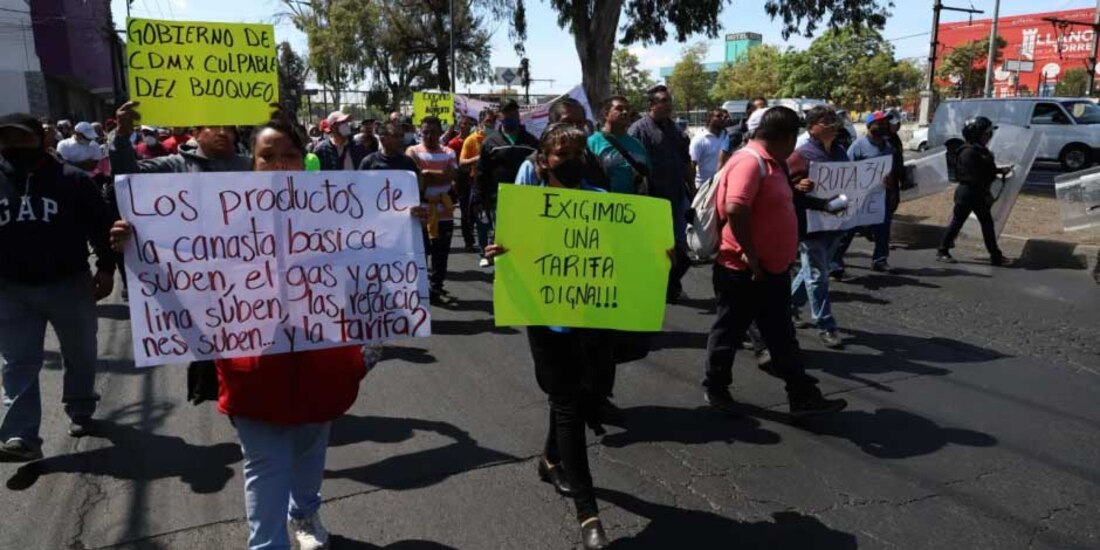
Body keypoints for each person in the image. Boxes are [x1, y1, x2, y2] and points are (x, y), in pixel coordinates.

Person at [110, 120, 377, 550]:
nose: (279, 165)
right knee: (264, 463)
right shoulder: (220, 216)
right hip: (252, 363)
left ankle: (305, 514)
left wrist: (406, 225)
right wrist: (137, 243)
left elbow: (373, 261)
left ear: (303, 159)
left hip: (323, 360)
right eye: (267, 157)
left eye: (288, 154)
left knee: (310, 452)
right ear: (250, 164)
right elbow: (182, 272)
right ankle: (268, 544)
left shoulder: (337, 208)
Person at [484, 123, 613, 549]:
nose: (573, 162)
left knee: (581, 395)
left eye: (579, 154)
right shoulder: (526, 208)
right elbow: (507, 253)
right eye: (563, 155)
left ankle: (550, 459)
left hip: (591, 322)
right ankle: (588, 513)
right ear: (543, 161)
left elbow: (625, 258)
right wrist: (498, 253)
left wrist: (657, 253)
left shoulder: (602, 203)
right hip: (546, 321)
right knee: (568, 404)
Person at [702, 106, 848, 418]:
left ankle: (803, 396)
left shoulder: (774, 164)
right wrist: (752, 257)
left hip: (771, 270)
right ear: (785, 136)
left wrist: (823, 204)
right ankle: (716, 387)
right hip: (743, 272)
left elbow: (788, 200)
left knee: (781, 336)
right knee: (728, 333)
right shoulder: (749, 162)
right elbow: (737, 208)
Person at [0, 112, 115, 461]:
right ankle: (21, 436)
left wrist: (107, 269)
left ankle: (80, 411)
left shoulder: (74, 180)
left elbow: (101, 226)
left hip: (69, 284)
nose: (14, 146)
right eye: (7, 140)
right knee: (18, 363)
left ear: (42, 140)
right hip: (11, 290)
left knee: (79, 353)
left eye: (22, 138)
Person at [786, 106, 849, 349]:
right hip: (811, 226)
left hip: (836, 223)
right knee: (817, 275)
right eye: (825, 121)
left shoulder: (841, 153)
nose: (832, 124)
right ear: (811, 127)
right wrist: (797, 185)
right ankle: (826, 325)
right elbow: (784, 187)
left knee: (811, 272)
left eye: (834, 120)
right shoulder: (799, 156)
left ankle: (788, 307)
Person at [629, 85, 692, 302]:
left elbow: (685, 160)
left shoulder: (674, 128)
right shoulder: (639, 130)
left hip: (677, 197)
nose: (668, 104)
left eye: (669, 100)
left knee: (681, 249)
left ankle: (671, 285)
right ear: (652, 104)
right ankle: (657, 288)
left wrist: (690, 188)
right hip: (654, 200)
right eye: (663, 100)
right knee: (659, 249)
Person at [471, 99, 538, 268]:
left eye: (514, 113)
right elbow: (481, 172)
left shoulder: (531, 142)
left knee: (524, 236)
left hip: (527, 200)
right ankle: (502, 270)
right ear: (499, 116)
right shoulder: (490, 142)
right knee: (502, 237)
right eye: (506, 113)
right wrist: (478, 198)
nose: (511, 117)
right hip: (498, 199)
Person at [936, 116, 1008, 266]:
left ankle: (995, 255)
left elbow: (986, 169)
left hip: (977, 192)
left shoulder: (979, 150)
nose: (989, 136)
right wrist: (988, 188)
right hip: (968, 193)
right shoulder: (967, 152)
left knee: (987, 224)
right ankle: (942, 250)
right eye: (985, 133)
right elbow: (975, 175)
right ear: (976, 134)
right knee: (957, 223)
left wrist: (1000, 170)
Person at [832, 111, 897, 276]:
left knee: (883, 229)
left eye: (884, 123)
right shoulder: (858, 146)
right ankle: (835, 262)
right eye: (878, 123)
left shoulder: (888, 146)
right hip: (859, 196)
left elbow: (889, 170)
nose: (882, 126)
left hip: (879, 196)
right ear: (869, 126)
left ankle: (880, 260)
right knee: (849, 230)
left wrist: (890, 184)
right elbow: (848, 171)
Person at [109, 101, 251, 174]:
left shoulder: (251, 166)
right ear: (196, 134)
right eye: (213, 126)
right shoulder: (172, 166)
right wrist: (121, 136)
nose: (222, 132)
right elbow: (127, 175)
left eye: (229, 128)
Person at [407, 116, 458, 305]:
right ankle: (419, 289)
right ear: (420, 132)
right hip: (420, 213)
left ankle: (436, 288)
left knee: (441, 253)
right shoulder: (412, 151)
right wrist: (439, 176)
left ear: (440, 133)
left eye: (433, 132)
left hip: (444, 212)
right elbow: (415, 178)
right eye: (425, 132)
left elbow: (452, 175)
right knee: (420, 253)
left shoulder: (449, 152)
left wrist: (427, 173)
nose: (429, 136)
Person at [515, 97, 608, 189]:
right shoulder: (531, 166)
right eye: (567, 122)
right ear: (551, 126)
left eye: (579, 123)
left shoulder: (596, 162)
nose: (574, 128)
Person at [589, 95, 649, 195]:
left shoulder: (637, 145)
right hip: (603, 206)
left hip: (635, 206)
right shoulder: (592, 143)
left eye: (627, 109)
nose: (625, 112)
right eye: (619, 109)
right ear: (606, 114)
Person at [461, 109, 498, 255]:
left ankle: (493, 250)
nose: (492, 124)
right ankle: (483, 251)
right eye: (489, 121)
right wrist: (478, 159)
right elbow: (462, 162)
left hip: (494, 185)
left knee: (495, 220)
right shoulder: (471, 140)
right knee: (482, 220)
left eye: (494, 122)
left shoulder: (497, 139)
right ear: (481, 122)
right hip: (478, 185)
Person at [447, 116, 477, 251]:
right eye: (462, 124)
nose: (464, 126)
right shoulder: (453, 143)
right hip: (461, 179)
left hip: (475, 178)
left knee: (474, 209)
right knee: (465, 210)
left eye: (467, 124)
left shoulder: (475, 140)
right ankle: (468, 240)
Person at [718, 96, 767, 170]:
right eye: (758, 110)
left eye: (765, 109)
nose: (762, 112)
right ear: (748, 112)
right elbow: (722, 162)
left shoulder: (769, 133)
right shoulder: (734, 133)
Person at [690, 108, 730, 188]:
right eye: (718, 116)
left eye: (724, 116)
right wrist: (692, 188)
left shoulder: (727, 136)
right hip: (704, 186)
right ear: (709, 119)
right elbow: (692, 165)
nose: (722, 118)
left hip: (723, 184)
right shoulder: (700, 139)